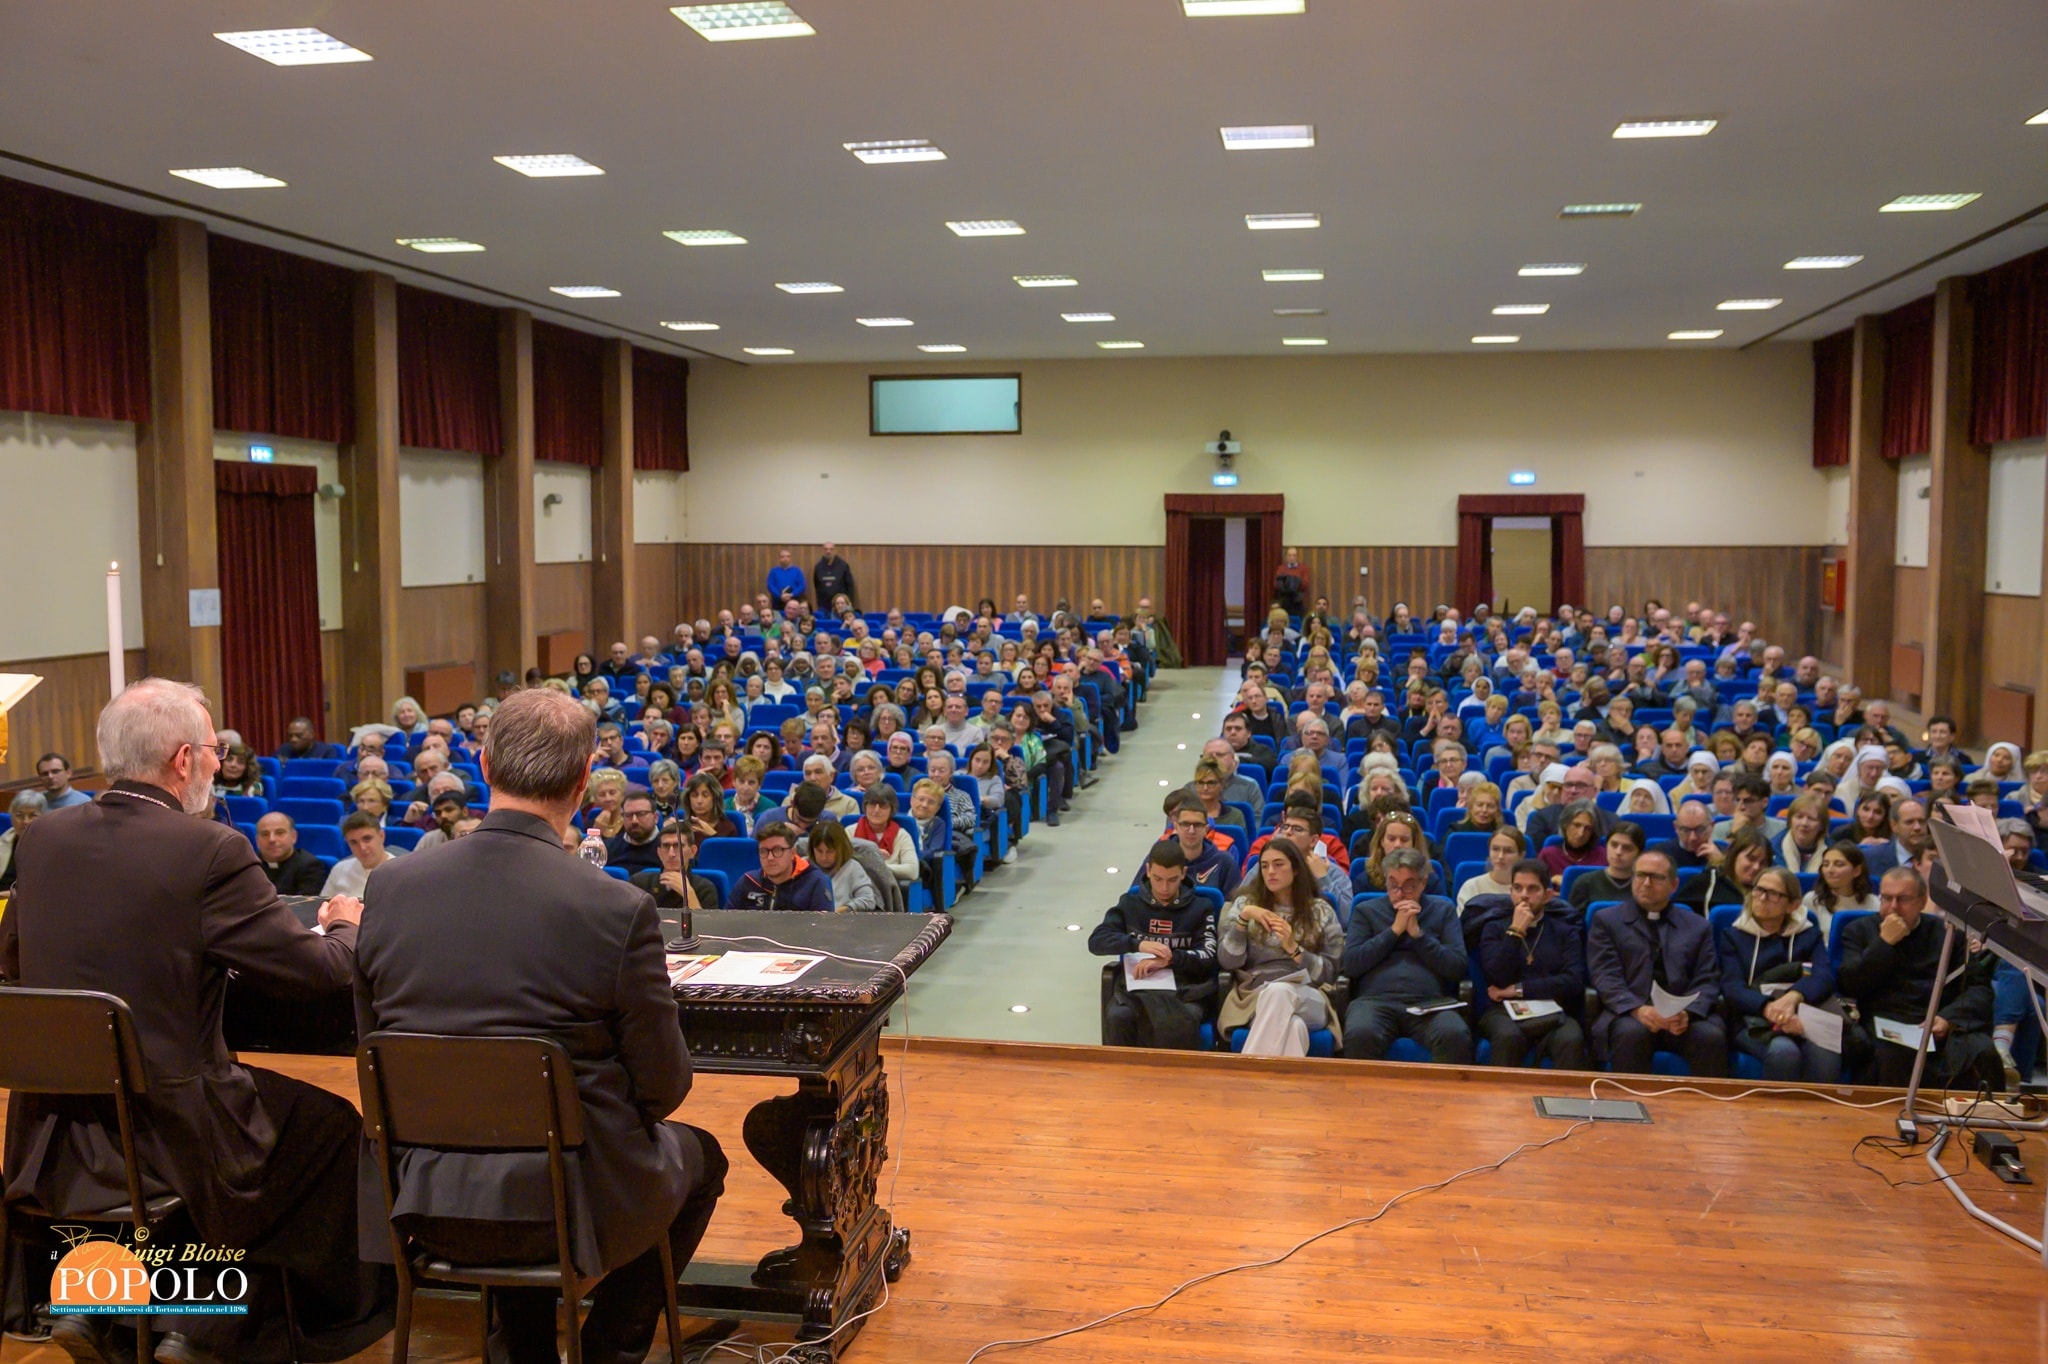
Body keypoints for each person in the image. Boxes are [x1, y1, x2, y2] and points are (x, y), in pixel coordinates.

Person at [1, 678, 391, 1364]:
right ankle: (209, 1326)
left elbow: (16, 967)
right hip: (176, 1123)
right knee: (332, 1131)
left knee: (224, 1128)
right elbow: (315, 973)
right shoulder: (207, 848)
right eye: (212, 750)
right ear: (184, 759)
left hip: (55, 1125)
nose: (217, 761)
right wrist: (346, 926)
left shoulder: (39, 841)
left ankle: (106, 1304)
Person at [352, 685, 724, 1364]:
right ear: (585, 783)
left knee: (518, 1142)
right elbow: (664, 1087)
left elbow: (372, 1046)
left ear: (485, 766)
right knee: (699, 1157)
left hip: (423, 1197)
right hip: (564, 1206)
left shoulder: (391, 888)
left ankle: (519, 1346)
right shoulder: (614, 908)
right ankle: (609, 1350)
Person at [1837, 867, 2001, 1090]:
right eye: (1887, 898)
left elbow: (1978, 987)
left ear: (1922, 902)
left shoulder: (1947, 934)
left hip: (1938, 1020)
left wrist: (1948, 1019)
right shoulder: (1859, 931)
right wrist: (1884, 944)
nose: (1893, 906)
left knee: (1983, 1051)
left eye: (1903, 899)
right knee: (1892, 1056)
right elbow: (1851, 984)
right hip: (1888, 1021)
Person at [1587, 849, 1729, 1075]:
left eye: (1656, 877)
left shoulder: (1697, 926)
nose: (1645, 883)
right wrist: (1638, 1010)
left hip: (1682, 1016)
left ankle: (1708, 1109)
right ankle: (1629, 1106)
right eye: (1640, 875)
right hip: (1629, 1012)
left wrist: (1688, 1013)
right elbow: (1605, 976)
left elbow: (1707, 979)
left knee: (1710, 1037)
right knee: (1631, 1034)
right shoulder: (1607, 921)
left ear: (1674, 885)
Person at [1341, 847, 1474, 1062]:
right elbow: (1352, 964)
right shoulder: (1366, 911)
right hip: (1375, 1001)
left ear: (1423, 882)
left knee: (1454, 1034)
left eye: (1409, 886)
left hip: (1431, 1003)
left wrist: (1418, 935)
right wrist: (1394, 931)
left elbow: (1457, 967)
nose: (1400, 893)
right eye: (1393, 884)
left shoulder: (1443, 910)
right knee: (1361, 1033)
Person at [1216, 840, 1344, 1057]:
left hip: (1310, 996)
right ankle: (1279, 1090)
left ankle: (1244, 1074)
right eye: (1264, 866)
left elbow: (1330, 973)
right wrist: (1243, 920)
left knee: (1280, 991)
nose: (1270, 872)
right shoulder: (1244, 906)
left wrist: (1294, 949)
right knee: (1294, 1028)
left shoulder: (1321, 911)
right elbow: (1228, 962)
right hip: (1255, 997)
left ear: (1295, 869)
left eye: (1278, 864)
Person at [1090, 841, 1219, 1051]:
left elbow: (1209, 955)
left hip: (1183, 991)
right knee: (1118, 1016)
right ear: (1148, 870)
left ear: (1184, 873)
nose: (1164, 888)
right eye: (1158, 879)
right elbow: (1097, 941)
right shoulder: (1130, 903)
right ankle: (1121, 1079)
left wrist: (1170, 959)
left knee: (1181, 1020)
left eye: (1172, 880)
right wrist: (1138, 944)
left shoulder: (1201, 908)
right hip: (1138, 990)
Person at [1717, 866, 1840, 1083]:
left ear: (1792, 905)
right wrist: (1769, 1008)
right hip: (1753, 1019)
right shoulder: (1734, 936)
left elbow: (1822, 975)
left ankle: (1817, 1117)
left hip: (1803, 1015)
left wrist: (1794, 996)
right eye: (1758, 890)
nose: (1762, 898)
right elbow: (1732, 988)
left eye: (1773, 894)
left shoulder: (1808, 934)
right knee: (1785, 1052)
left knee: (1826, 1054)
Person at [1469, 859, 1587, 1069]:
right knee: (1507, 1036)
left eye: (1532, 889)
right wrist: (1515, 932)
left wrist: (1517, 990)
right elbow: (1497, 976)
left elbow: (1573, 982)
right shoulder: (1493, 927)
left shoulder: (1565, 931)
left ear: (1548, 895)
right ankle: (1503, 1101)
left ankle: (1565, 1101)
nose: (1524, 895)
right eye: (1518, 888)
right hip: (1502, 1011)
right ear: (1511, 892)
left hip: (1553, 1008)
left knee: (1570, 1038)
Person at [631, 822, 723, 931]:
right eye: (666, 846)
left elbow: (708, 931)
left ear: (693, 851)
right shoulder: (639, 883)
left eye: (678, 846)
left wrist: (688, 894)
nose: (671, 854)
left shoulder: (705, 888)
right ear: (659, 853)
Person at [732, 822, 834, 912]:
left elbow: (824, 929)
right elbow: (727, 925)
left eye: (778, 850)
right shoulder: (748, 882)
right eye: (764, 851)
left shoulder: (814, 882)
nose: (770, 857)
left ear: (792, 853)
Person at [1161, 791, 1243, 893]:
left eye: (1197, 825)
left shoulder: (1225, 862)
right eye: (1185, 824)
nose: (1191, 831)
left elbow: (1236, 904)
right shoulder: (1159, 858)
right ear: (1176, 827)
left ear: (1206, 829)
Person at [322, 809, 405, 898]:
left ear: (381, 836)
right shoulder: (339, 870)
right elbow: (323, 906)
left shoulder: (402, 872)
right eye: (354, 842)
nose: (362, 848)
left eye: (367, 839)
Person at [1801, 841, 1878, 938]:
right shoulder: (1812, 900)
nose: (1830, 870)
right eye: (1825, 864)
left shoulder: (1874, 903)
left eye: (1839, 864)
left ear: (1857, 871)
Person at [1566, 821, 1645, 912]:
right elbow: (1572, 922)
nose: (1618, 852)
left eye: (1627, 848)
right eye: (1614, 845)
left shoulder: (1646, 885)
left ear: (1639, 853)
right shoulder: (1585, 882)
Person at [807, 818, 878, 911]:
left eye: (830, 851)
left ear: (840, 849)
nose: (824, 857)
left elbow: (868, 900)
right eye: (819, 851)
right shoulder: (804, 867)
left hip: (842, 921)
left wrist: (845, 909)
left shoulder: (852, 868)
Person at [255, 810, 329, 894]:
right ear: (257, 840)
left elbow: (305, 904)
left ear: (293, 837)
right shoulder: (249, 864)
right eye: (265, 834)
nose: (272, 839)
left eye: (279, 833)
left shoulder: (310, 866)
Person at [1456, 827, 1527, 909]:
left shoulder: (1527, 890)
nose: (1500, 856)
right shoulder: (1472, 887)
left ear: (1521, 856)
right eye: (1495, 849)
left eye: (1508, 851)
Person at [813, 540, 857, 610]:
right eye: (826, 549)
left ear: (835, 551)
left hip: (841, 605)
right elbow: (816, 585)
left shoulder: (843, 566)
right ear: (823, 551)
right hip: (824, 605)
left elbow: (849, 585)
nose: (828, 551)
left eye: (831, 549)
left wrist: (849, 603)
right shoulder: (818, 567)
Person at [276, 715, 341, 762]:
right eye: (290, 735)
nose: (293, 739)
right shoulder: (283, 750)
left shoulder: (326, 752)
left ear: (311, 734)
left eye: (298, 735)